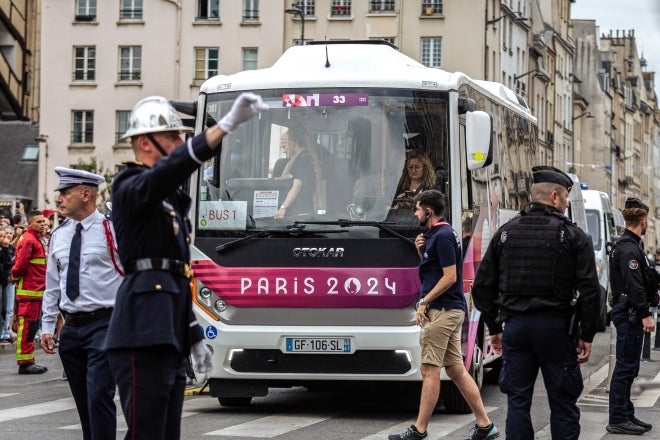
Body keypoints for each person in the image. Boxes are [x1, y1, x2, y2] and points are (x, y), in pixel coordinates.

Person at [103, 92, 267, 440]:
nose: (181, 143)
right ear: (145, 143)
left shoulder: (169, 199)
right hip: (141, 331)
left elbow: (180, 273)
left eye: (183, 137)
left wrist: (193, 338)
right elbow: (167, 170)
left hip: (168, 332)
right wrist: (221, 129)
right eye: (173, 137)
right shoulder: (130, 186)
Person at [470, 165, 600, 440]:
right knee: (563, 404)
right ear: (554, 197)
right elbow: (590, 291)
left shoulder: (506, 233)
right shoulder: (575, 237)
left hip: (516, 329)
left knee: (517, 403)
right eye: (565, 197)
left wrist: (495, 327)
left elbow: (481, 288)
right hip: (557, 329)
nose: (566, 203)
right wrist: (586, 334)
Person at [389, 190, 499, 440]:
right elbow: (436, 272)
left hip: (443, 311)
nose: (415, 214)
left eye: (418, 209)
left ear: (429, 211)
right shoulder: (437, 236)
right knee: (456, 370)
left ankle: (419, 430)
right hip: (447, 309)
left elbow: (450, 277)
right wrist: (421, 253)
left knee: (429, 370)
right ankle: (485, 425)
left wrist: (423, 302)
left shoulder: (444, 237)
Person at [39, 167, 123, 440]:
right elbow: (53, 283)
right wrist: (48, 325)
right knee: (84, 401)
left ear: (86, 194)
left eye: (65, 193)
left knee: (99, 395)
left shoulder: (112, 231)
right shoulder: (60, 235)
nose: (59, 199)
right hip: (72, 329)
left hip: (106, 323)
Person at [606, 197, 659, 435]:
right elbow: (634, 285)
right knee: (626, 368)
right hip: (629, 313)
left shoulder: (630, 245)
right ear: (644, 220)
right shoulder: (629, 248)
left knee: (630, 366)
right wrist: (645, 314)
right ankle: (618, 417)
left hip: (628, 312)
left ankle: (625, 413)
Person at [10, 209, 48, 374]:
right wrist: (14, 277)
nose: (43, 224)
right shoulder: (29, 240)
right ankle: (24, 363)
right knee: (26, 328)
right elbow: (19, 267)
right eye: (39, 222)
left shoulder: (35, 239)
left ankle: (29, 360)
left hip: (35, 291)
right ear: (30, 223)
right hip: (28, 292)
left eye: (43, 221)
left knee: (31, 327)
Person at [274, 127, 316, 218]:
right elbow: (283, 177)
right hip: (300, 211)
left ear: (293, 141)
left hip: (301, 213)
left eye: (286, 142)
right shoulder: (301, 158)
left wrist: (283, 207)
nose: (283, 146)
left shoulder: (303, 160)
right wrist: (295, 155)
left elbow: (297, 185)